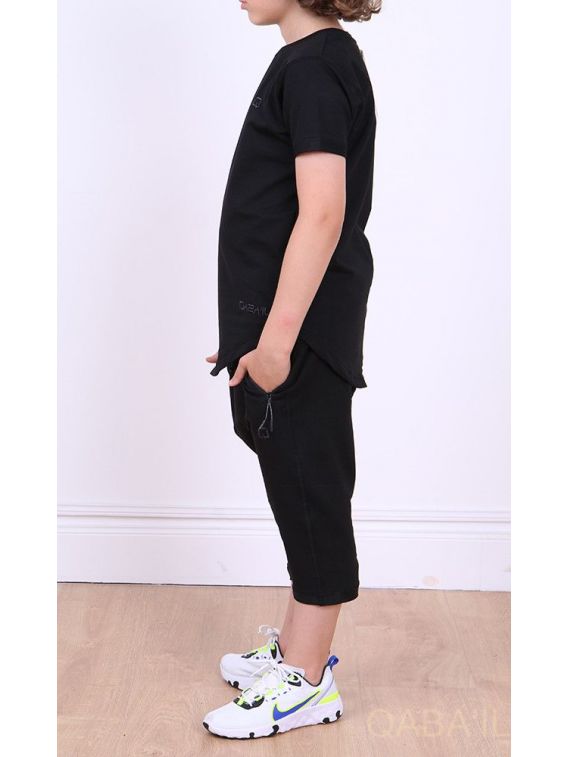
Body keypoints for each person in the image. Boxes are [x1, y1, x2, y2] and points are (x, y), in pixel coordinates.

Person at [203, 0, 380, 740]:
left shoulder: (315, 69)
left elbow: (322, 212)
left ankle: (307, 680)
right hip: (283, 328)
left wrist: (276, 341)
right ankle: (294, 650)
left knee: (311, 490)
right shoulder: (309, 63)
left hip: (301, 333)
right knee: (294, 481)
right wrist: (249, 334)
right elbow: (275, 210)